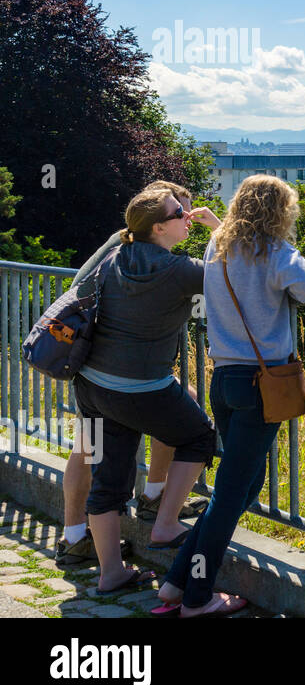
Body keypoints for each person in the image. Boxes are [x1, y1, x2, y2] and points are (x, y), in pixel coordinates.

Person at [157, 174, 305, 618]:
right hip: (261, 384)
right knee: (231, 494)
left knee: (244, 486)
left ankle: (176, 582)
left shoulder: (218, 247)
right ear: (280, 211)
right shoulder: (272, 251)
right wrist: (288, 248)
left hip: (225, 380)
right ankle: (196, 596)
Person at [72, 189, 221, 594]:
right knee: (198, 436)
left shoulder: (114, 257)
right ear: (159, 228)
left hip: (92, 384)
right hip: (141, 387)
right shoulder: (180, 270)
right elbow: (236, 274)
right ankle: (165, 523)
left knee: (108, 476)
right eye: (180, 213)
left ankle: (111, 574)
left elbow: (78, 285)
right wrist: (218, 228)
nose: (187, 216)